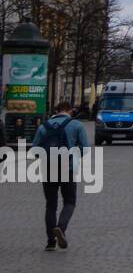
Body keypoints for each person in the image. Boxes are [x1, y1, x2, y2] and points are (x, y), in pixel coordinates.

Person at [31, 101, 89, 251]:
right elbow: (85, 148)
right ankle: (61, 228)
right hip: (67, 168)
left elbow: (34, 150)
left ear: (56, 110)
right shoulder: (76, 125)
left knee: (50, 205)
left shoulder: (44, 126)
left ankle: (50, 242)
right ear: (70, 111)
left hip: (48, 168)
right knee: (69, 201)